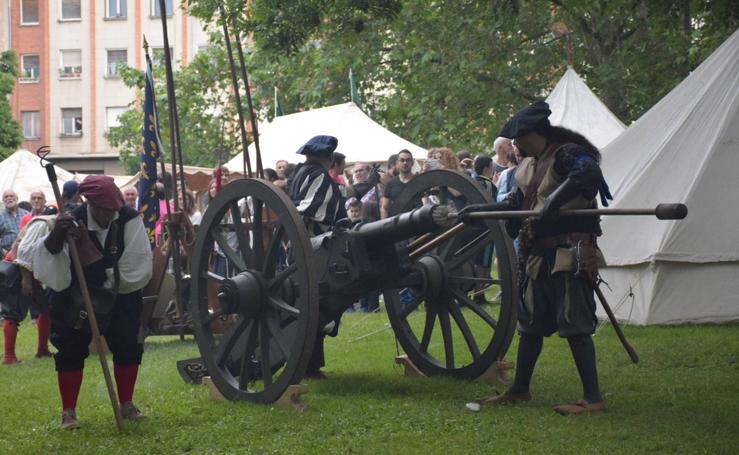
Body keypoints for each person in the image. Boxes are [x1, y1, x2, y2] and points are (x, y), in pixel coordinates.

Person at [459, 101, 609, 416]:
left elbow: (589, 172)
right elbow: (517, 202)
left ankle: (593, 397)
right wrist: (480, 211)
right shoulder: (529, 165)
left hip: (569, 252)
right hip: (539, 255)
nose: (514, 145)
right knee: (530, 325)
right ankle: (519, 390)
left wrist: (555, 202)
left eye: (517, 137)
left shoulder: (567, 153)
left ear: (532, 134)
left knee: (575, 324)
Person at [33, 175, 153, 429]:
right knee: (69, 349)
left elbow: (136, 262)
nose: (110, 215)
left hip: (121, 293)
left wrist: (105, 287)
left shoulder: (129, 219)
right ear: (89, 203)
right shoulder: (70, 220)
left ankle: (127, 404)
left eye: (113, 209)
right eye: (105, 210)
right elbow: (52, 266)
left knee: (128, 345)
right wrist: (57, 235)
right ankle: (68, 412)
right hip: (74, 293)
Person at [288, 135, 346, 378]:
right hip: (317, 248)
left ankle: (312, 366)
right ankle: (310, 365)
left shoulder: (298, 175)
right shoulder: (318, 176)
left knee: (318, 302)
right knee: (322, 302)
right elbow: (309, 210)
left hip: (304, 247)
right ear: (328, 158)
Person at [381, 149, 416, 219]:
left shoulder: (421, 181)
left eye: (408, 160)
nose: (405, 163)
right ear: (397, 163)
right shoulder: (390, 183)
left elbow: (425, 204)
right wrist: (384, 227)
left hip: (417, 223)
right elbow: (385, 208)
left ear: (412, 163)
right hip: (397, 224)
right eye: (402, 160)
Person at [0, 190, 29, 257]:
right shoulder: (1, 217)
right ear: (3, 200)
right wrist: (2, 252)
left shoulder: (26, 214)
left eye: (11, 196)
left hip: (26, 254)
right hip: (8, 255)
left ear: (17, 198)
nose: (9, 198)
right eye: (6, 197)